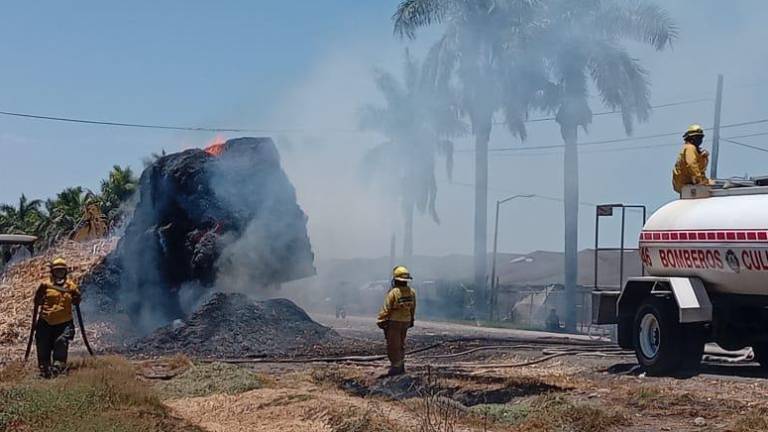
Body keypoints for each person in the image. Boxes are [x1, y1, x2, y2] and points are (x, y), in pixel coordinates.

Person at [33, 258, 80, 378]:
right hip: (45, 322)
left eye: (62, 271)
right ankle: (44, 370)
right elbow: (37, 301)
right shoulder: (45, 285)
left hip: (64, 323)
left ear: (65, 272)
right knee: (43, 344)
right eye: (57, 271)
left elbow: (77, 300)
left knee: (61, 342)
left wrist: (76, 297)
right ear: (53, 272)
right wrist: (39, 297)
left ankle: (58, 368)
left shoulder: (71, 286)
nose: (59, 273)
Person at [376, 265, 416, 376]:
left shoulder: (394, 292)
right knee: (401, 344)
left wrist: (381, 320)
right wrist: (411, 320)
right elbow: (413, 308)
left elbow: (386, 307)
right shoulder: (411, 292)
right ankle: (401, 365)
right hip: (406, 321)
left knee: (393, 345)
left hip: (394, 322)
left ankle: (396, 367)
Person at [673, 124, 714, 193]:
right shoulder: (690, 148)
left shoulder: (695, 150)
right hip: (686, 183)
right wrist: (700, 181)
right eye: (698, 137)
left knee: (714, 183)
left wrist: (703, 157)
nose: (700, 140)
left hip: (689, 183)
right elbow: (692, 164)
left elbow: (701, 169)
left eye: (701, 137)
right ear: (691, 138)